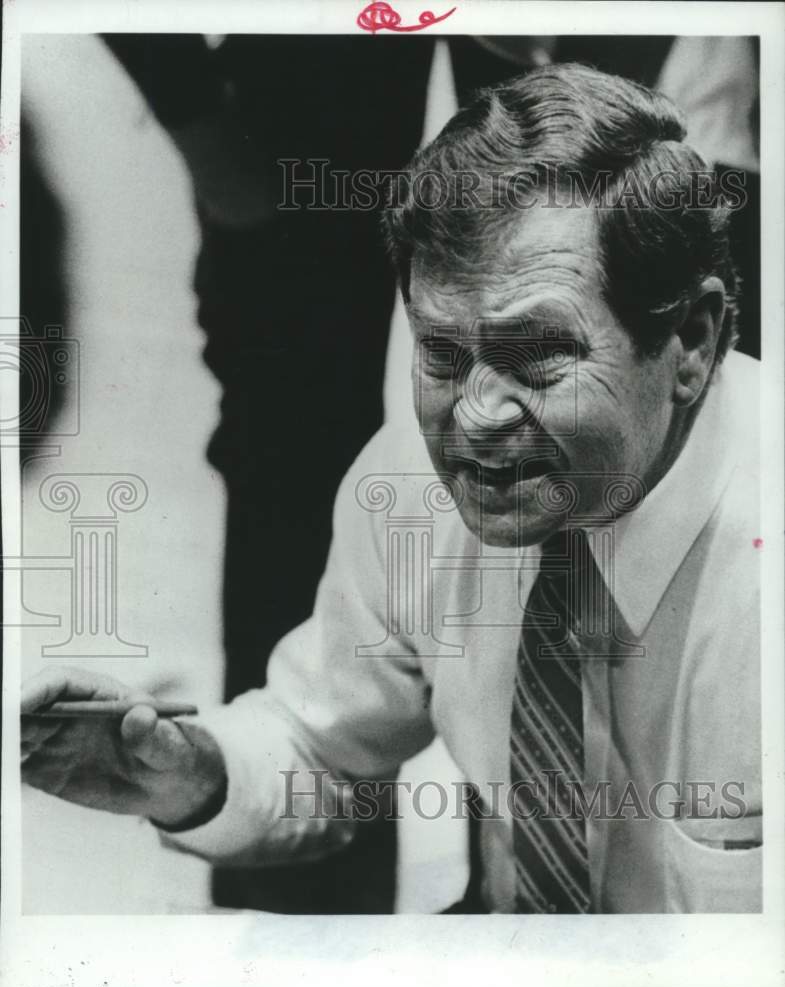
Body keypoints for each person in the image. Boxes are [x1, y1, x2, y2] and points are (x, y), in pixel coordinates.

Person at [21, 64, 761, 914]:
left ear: (690, 342)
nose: (476, 416)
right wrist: (190, 770)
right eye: (441, 355)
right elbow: (321, 741)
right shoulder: (411, 485)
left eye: (536, 357)